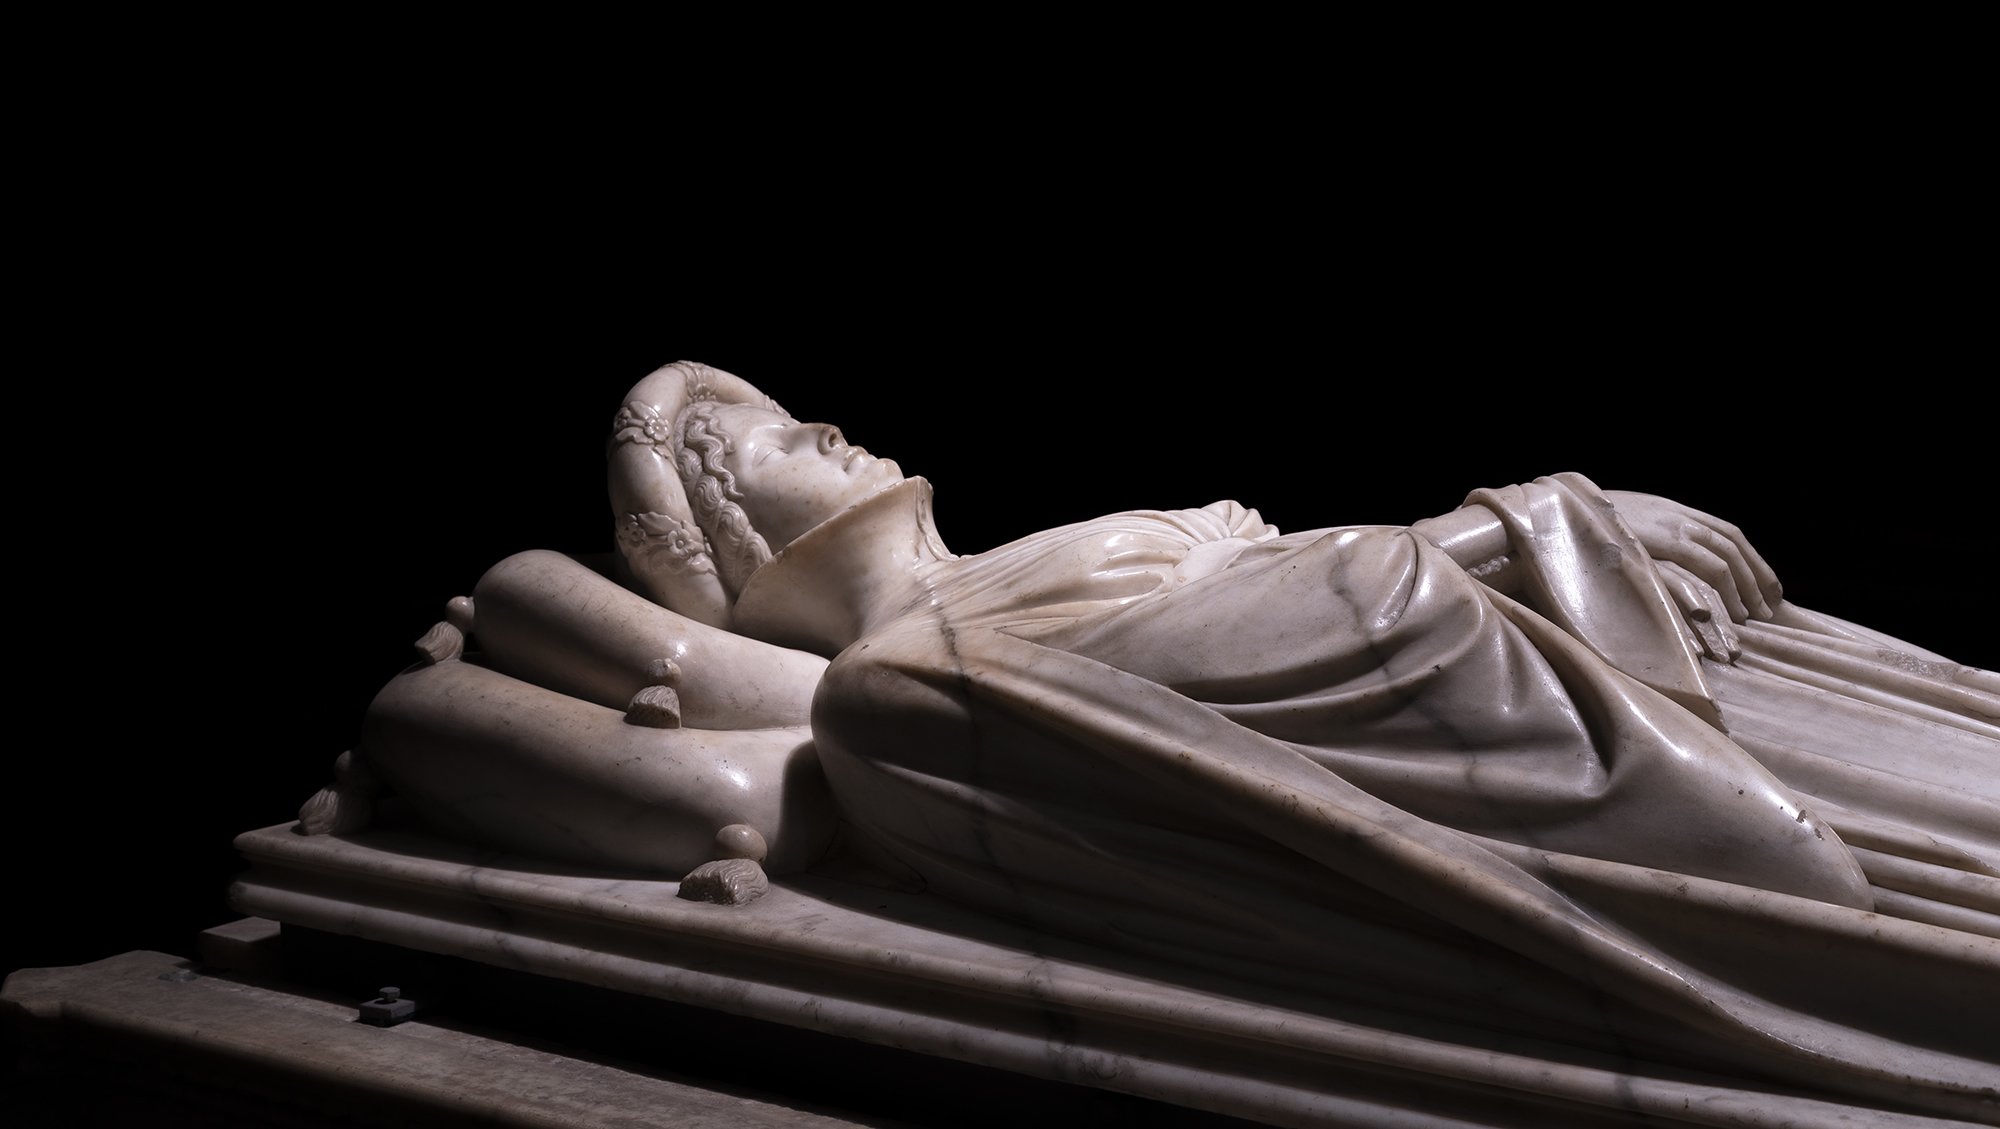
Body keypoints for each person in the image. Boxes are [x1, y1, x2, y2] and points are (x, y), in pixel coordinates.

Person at [348, 361, 1997, 1118]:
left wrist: (1554, 528)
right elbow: (1337, 607)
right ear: (724, 542)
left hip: (1646, 648)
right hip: (1575, 716)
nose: (831, 422)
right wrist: (1514, 533)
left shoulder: (999, 588)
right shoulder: (911, 682)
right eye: (773, 437)